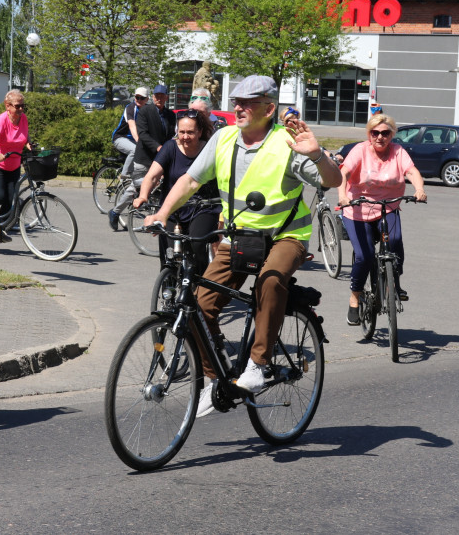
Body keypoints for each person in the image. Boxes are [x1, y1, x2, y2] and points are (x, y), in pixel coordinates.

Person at [145, 75, 342, 418]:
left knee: (270, 280)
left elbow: (333, 180)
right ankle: (212, 381)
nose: (238, 107)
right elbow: (190, 179)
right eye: (236, 101)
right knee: (197, 306)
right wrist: (162, 213)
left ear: (269, 108)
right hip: (240, 237)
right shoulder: (223, 139)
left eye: (247, 103)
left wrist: (318, 155)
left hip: (285, 236)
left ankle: (259, 363)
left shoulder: (288, 143)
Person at [337, 114, 427, 326]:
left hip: (388, 206)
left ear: (392, 135)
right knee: (364, 256)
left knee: (395, 241)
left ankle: (394, 283)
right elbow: (344, 172)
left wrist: (419, 189)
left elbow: (412, 171)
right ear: (369, 134)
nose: (380, 137)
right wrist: (342, 196)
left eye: (385, 133)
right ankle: (355, 298)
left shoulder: (398, 152)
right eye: (375, 133)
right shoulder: (360, 150)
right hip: (357, 209)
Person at [133, 109, 219, 277]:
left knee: (197, 245)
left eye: (190, 132)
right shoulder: (170, 147)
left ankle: (198, 289)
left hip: (202, 208)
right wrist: (143, 195)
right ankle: (168, 290)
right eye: (182, 132)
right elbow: (152, 176)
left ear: (200, 132)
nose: (185, 136)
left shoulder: (209, 150)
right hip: (172, 208)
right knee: (168, 253)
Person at [110, 83, 176, 230]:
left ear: (166, 97)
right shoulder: (145, 111)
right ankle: (115, 212)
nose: (159, 98)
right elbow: (143, 134)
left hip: (160, 157)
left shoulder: (170, 115)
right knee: (136, 187)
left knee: (165, 183)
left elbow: (171, 135)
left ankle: (161, 217)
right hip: (144, 156)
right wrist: (158, 147)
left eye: (162, 96)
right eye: (156, 96)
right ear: (153, 97)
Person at [0, 90, 29, 244]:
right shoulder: (1, 120)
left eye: (23, 106)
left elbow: (24, 136)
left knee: (10, 200)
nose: (21, 109)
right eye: (18, 106)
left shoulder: (23, 118)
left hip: (14, 164)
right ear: (7, 106)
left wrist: (28, 144)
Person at [111, 87, 149, 177]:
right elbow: (132, 126)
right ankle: (124, 176)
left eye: (142, 98)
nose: (139, 100)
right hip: (120, 137)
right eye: (137, 97)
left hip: (133, 140)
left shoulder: (148, 110)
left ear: (147, 99)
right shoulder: (131, 108)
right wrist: (139, 142)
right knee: (135, 150)